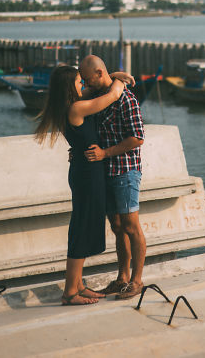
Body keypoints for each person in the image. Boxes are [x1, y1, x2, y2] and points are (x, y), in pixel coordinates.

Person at [34, 64, 132, 306]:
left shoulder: (69, 104)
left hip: (85, 169)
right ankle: (70, 291)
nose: (83, 85)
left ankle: (77, 284)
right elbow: (112, 95)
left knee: (84, 224)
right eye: (79, 82)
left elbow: (96, 90)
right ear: (70, 87)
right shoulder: (76, 108)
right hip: (87, 172)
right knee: (81, 227)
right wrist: (120, 81)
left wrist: (115, 76)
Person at [80, 55, 146, 300]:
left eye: (88, 79)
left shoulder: (126, 98)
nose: (86, 84)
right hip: (105, 170)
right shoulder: (99, 96)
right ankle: (122, 278)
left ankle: (137, 280)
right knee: (117, 227)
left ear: (99, 73)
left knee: (131, 226)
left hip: (126, 169)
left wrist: (105, 153)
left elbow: (137, 137)